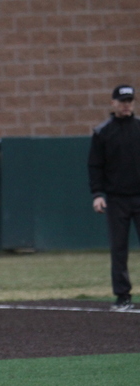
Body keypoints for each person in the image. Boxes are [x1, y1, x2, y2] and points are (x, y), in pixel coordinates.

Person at [88, 84, 140, 311]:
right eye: (122, 101)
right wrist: (97, 194)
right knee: (118, 249)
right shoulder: (103, 132)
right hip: (117, 199)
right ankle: (122, 296)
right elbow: (95, 166)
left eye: (130, 101)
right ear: (113, 103)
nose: (127, 105)